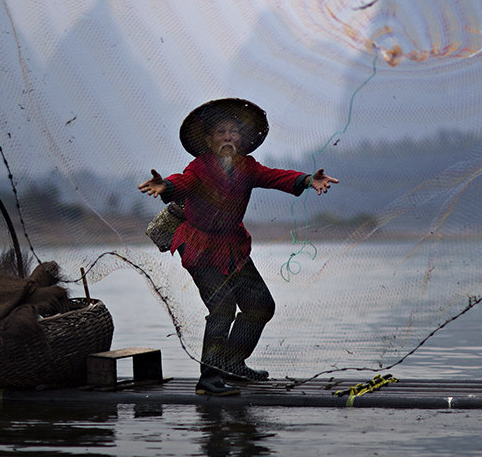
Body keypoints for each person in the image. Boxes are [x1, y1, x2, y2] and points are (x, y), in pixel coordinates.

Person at [138, 98, 338, 396]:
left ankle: (233, 363)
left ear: (242, 139)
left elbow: (275, 177)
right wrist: (165, 186)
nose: (228, 137)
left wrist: (308, 179)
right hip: (200, 247)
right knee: (222, 307)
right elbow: (182, 181)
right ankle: (209, 379)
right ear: (209, 139)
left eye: (234, 132)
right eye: (221, 132)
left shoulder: (248, 166)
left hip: (233, 247)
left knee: (260, 305)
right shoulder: (199, 167)